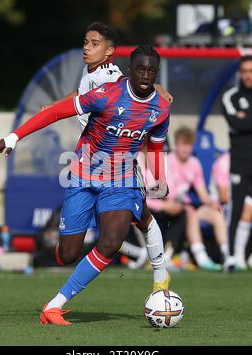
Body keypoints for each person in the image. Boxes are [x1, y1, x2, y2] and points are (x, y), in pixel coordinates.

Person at [0, 45, 171, 325]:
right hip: (84, 174)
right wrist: (14, 136)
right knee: (67, 254)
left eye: (151, 70)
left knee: (111, 242)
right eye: (141, 69)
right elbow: (55, 113)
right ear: (130, 71)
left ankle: (54, 305)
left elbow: (156, 146)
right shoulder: (107, 96)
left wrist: (159, 176)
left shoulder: (160, 108)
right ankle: (63, 251)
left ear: (156, 73)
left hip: (122, 179)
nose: (146, 74)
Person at [43, 22, 173, 288]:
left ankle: (160, 275)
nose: (86, 47)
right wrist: (57, 105)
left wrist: (156, 88)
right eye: (85, 42)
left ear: (109, 51)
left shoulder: (109, 75)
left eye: (94, 43)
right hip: (93, 159)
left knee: (140, 218)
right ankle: (151, 264)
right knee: (72, 252)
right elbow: (81, 94)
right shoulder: (91, 71)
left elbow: (131, 85)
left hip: (117, 158)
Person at [164, 127, 227, 271]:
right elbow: (167, 193)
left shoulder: (194, 163)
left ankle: (227, 254)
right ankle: (201, 258)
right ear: (176, 144)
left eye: (189, 145)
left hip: (188, 206)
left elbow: (202, 193)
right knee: (190, 212)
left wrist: (213, 204)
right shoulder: (168, 161)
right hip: (169, 206)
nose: (185, 149)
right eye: (183, 144)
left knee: (216, 213)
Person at [222, 55, 252, 272]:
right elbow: (235, 122)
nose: (248, 75)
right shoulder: (232, 96)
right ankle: (230, 256)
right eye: (244, 71)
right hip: (241, 162)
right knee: (236, 208)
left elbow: (244, 123)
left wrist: (248, 120)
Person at [210, 152, 252, 270]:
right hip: (219, 206)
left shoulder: (251, 161)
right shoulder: (223, 162)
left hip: (243, 201)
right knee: (246, 210)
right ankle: (238, 256)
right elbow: (224, 196)